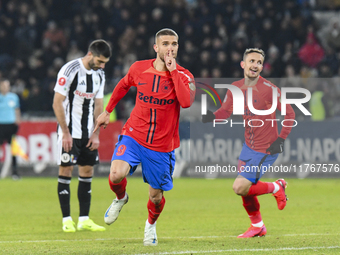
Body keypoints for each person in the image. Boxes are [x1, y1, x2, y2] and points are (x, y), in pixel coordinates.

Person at [94, 28, 196, 246]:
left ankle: (150, 225)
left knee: (156, 197)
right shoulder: (139, 68)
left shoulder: (185, 75)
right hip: (134, 135)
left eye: (174, 44)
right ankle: (121, 198)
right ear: (156, 47)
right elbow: (122, 85)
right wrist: (107, 110)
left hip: (161, 145)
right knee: (115, 174)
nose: (170, 48)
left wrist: (173, 71)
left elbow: (186, 102)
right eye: (166, 44)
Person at [202, 48, 295, 238]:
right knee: (246, 191)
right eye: (252, 61)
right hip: (249, 147)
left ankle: (277, 187)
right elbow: (225, 112)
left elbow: (290, 113)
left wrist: (281, 139)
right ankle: (258, 226)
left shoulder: (269, 89)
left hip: (266, 149)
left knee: (239, 187)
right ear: (243, 64)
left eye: (259, 62)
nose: (255, 65)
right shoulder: (235, 88)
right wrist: (212, 116)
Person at [52, 39, 112, 233]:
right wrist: (66, 133)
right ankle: (66, 219)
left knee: (87, 173)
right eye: (100, 61)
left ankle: (84, 219)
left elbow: (98, 105)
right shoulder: (69, 70)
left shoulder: (100, 75)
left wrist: (96, 134)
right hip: (69, 133)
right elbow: (57, 103)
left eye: (105, 63)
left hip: (88, 134)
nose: (102, 66)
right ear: (90, 54)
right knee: (66, 171)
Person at [0, 78, 21, 180]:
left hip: (11, 125)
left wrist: (18, 121)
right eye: (3, 86)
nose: (5, 88)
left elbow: (17, 110)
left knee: (13, 149)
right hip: (0, 125)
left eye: (7, 86)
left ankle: (15, 173)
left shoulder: (13, 97)